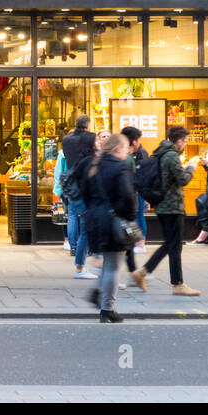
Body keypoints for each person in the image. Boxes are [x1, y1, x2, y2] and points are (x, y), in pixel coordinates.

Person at [131, 126, 199, 296]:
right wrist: (191, 167)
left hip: (164, 205)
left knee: (173, 244)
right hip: (172, 206)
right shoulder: (171, 155)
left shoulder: (161, 152)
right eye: (185, 141)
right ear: (179, 140)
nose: (185, 144)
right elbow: (182, 179)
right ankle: (168, 280)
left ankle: (173, 282)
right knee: (173, 244)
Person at [81, 133, 136, 323]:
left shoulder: (92, 165)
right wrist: (128, 217)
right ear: (118, 149)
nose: (128, 152)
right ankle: (107, 309)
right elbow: (128, 196)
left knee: (107, 262)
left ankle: (98, 291)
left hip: (94, 219)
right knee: (113, 266)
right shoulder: (120, 167)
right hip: (112, 221)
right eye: (126, 148)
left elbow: (83, 192)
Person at [60, 115, 97, 279]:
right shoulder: (90, 138)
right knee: (87, 227)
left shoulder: (66, 140)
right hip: (85, 185)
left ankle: (73, 248)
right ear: (88, 126)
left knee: (73, 216)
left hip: (71, 185)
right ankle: (81, 266)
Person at [120, 127, 149, 255]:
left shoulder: (141, 153)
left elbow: (142, 175)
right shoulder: (127, 153)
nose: (139, 142)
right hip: (130, 190)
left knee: (138, 214)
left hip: (138, 190)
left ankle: (141, 243)